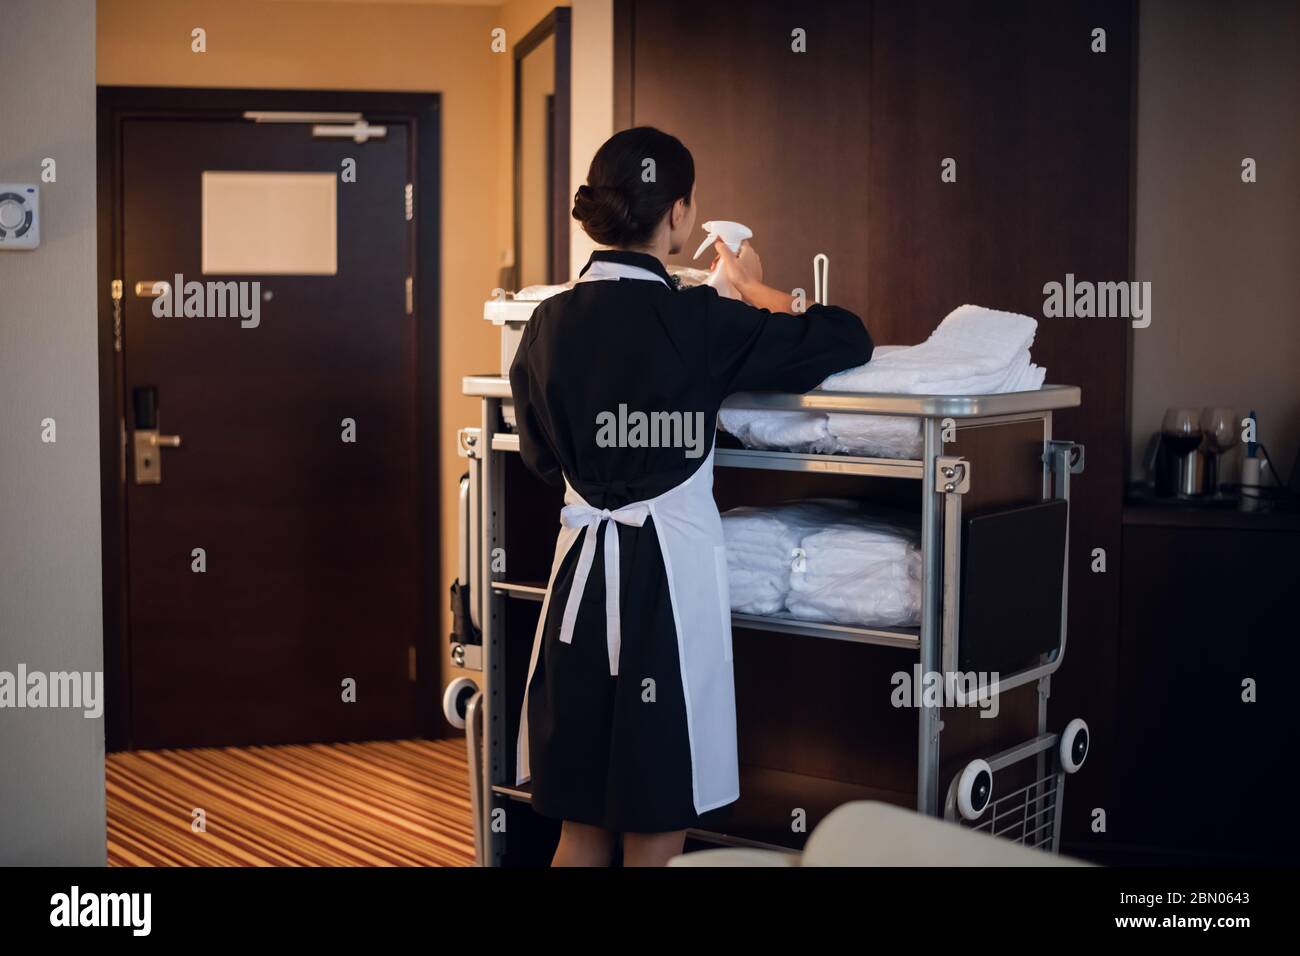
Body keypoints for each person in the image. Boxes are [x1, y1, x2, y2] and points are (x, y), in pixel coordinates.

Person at [509, 126, 874, 866]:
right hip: (662, 592)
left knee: (578, 827)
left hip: (577, 582)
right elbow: (845, 337)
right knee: (655, 824)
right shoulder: (699, 320)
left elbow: (543, 459)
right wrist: (752, 289)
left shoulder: (546, 323)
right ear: (679, 214)